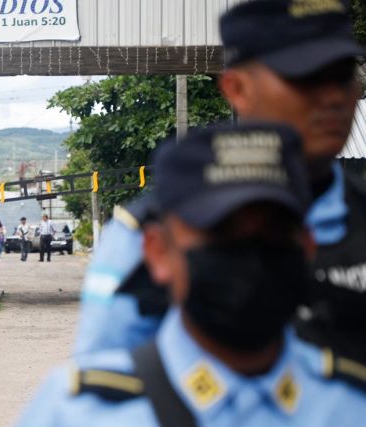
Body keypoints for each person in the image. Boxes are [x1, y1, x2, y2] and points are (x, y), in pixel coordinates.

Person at [8, 123, 366, 427]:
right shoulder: (76, 422)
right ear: (158, 251)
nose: (250, 257)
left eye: (272, 233)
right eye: (221, 233)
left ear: (308, 246)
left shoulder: (351, 409)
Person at [73, 0, 366, 360]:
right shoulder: (151, 235)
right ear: (237, 89)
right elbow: (106, 389)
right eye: (305, 77)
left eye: (343, 75)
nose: (334, 97)